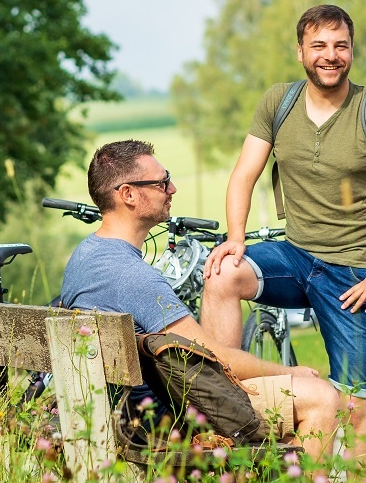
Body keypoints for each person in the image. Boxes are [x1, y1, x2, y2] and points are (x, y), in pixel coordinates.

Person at [202, 3, 366, 483]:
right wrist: (237, 238)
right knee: (223, 276)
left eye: (341, 46)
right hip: (296, 255)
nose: (331, 56)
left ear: (351, 50)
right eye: (320, 46)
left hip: (354, 272)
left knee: (355, 405)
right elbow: (244, 174)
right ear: (301, 51)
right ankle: (225, 400)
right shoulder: (278, 103)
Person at [59, 139, 343, 462]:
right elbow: (215, 359)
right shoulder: (133, 277)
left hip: (114, 413)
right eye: (162, 182)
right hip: (162, 421)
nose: (173, 188)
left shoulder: (84, 256)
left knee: (288, 418)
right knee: (321, 398)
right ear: (128, 195)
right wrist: (289, 373)